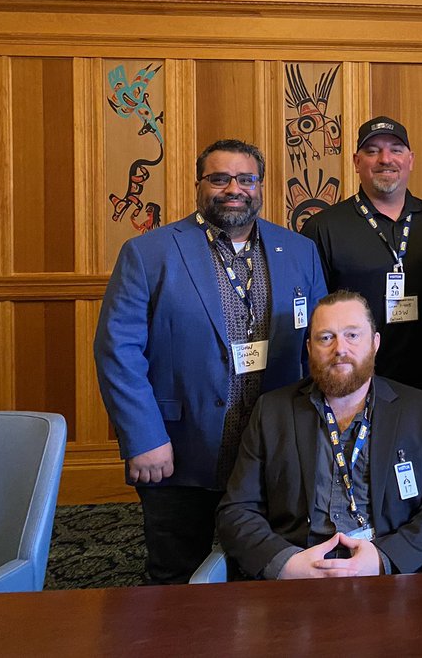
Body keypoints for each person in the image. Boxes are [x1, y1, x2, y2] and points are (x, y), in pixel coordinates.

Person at [94, 139, 327, 584]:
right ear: (199, 185)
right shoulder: (150, 252)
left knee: (262, 572)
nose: (233, 188)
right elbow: (117, 351)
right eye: (219, 178)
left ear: (260, 186)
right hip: (179, 447)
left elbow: (315, 345)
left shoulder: (297, 250)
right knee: (176, 571)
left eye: (245, 179)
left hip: (272, 449)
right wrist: (142, 436)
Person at [217, 290, 422, 579]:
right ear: (309, 347)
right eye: (326, 337)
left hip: (389, 578)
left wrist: (385, 558)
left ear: (375, 343)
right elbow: (237, 510)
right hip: (296, 579)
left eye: (352, 335)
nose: (340, 348)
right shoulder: (272, 411)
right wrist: (285, 563)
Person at [301, 117, 422, 391]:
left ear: (410, 160)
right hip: (351, 383)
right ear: (357, 162)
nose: (385, 159)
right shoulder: (323, 228)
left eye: (396, 149)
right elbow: (312, 313)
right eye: (372, 151)